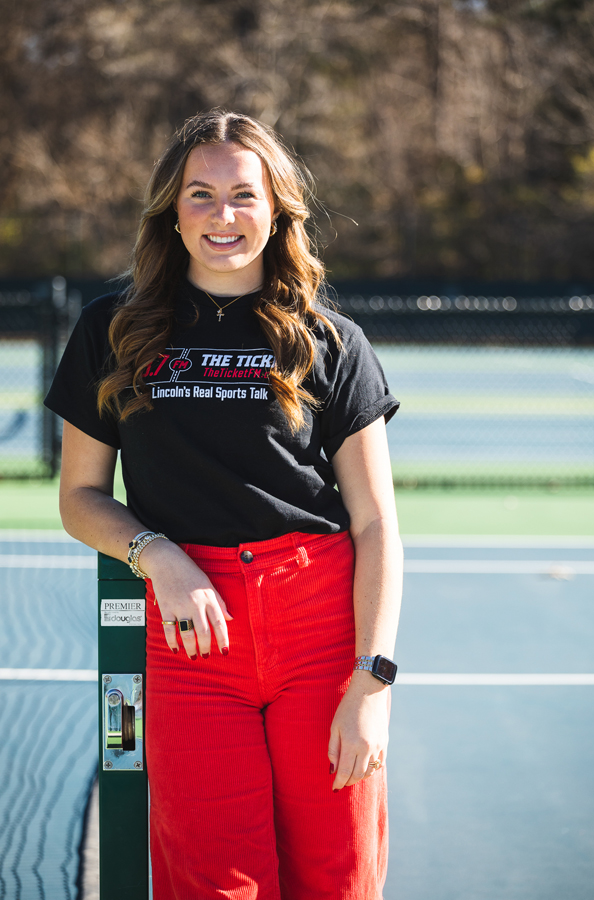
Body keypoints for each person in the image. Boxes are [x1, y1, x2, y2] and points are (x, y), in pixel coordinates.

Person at [45, 109, 403, 900]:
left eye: (244, 195)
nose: (223, 215)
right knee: (213, 880)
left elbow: (376, 523)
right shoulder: (113, 331)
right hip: (191, 637)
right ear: (171, 210)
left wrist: (370, 685)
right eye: (200, 194)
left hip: (320, 629)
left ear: (277, 210)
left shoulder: (329, 341)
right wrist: (156, 553)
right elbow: (78, 498)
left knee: (335, 876)